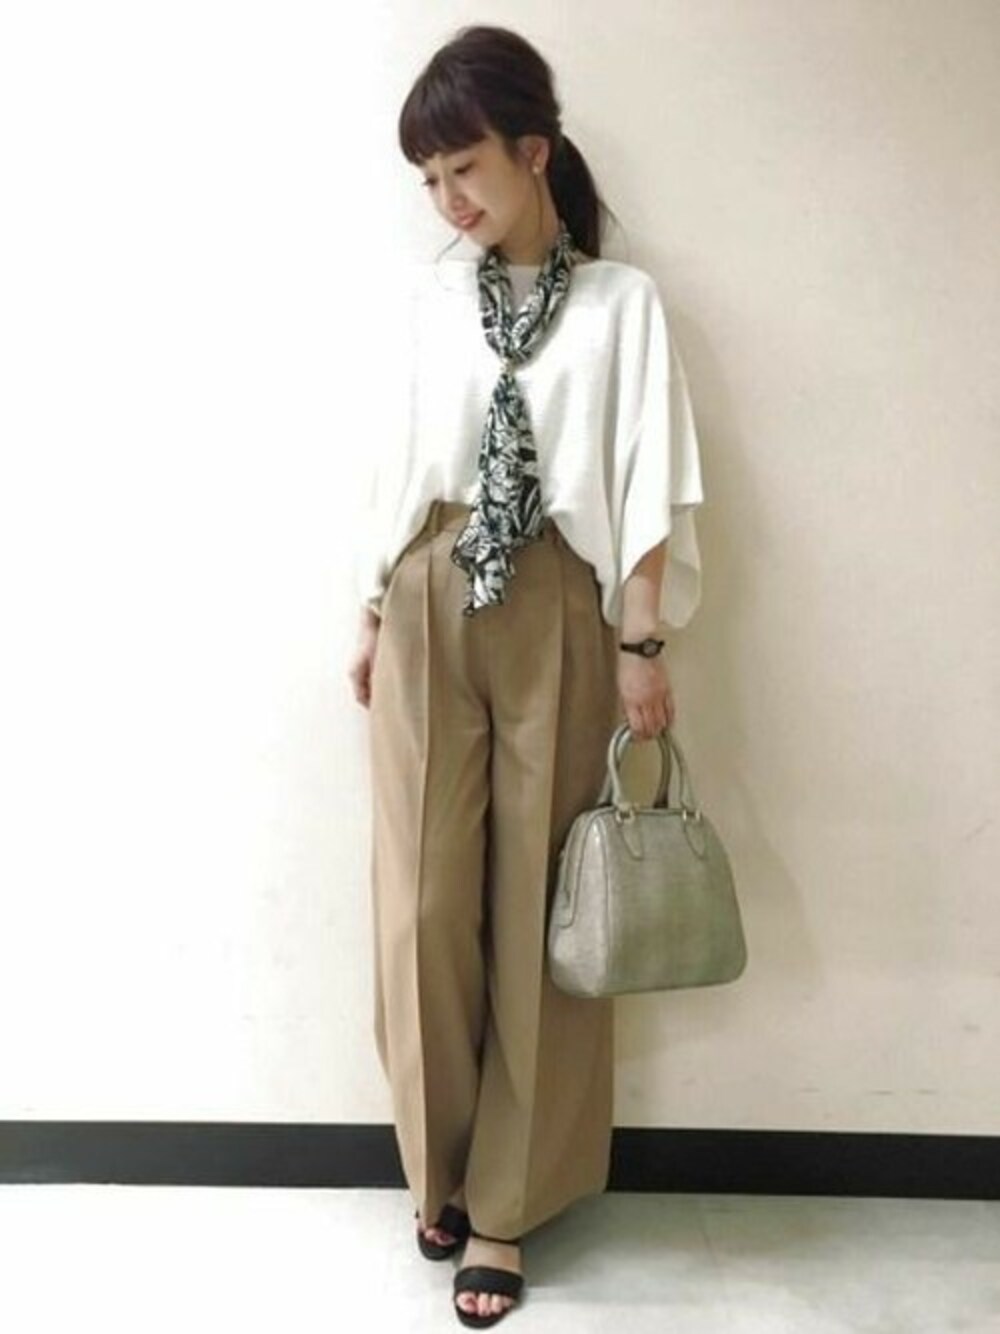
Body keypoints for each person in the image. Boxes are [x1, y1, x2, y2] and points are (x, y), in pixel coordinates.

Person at [347, 23, 705, 1328]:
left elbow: (650, 476)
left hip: (559, 592)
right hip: (431, 590)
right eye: (430, 179)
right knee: (424, 903)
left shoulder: (622, 305)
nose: (449, 200)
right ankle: (438, 1163)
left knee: (539, 913)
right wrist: (371, 607)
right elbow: (400, 463)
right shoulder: (432, 300)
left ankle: (504, 1200)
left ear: (534, 152)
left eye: (466, 168)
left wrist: (641, 638)